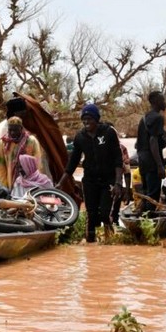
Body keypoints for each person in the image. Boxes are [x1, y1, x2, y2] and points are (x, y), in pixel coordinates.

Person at [56, 104, 123, 243]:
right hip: (90, 181)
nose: (86, 122)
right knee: (91, 215)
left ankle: (110, 242)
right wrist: (61, 183)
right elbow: (72, 162)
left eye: (89, 119)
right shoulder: (80, 137)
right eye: (84, 119)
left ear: (96, 119)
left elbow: (118, 159)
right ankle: (90, 246)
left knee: (105, 214)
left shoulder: (109, 132)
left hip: (108, 180)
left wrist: (118, 183)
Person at [135, 91, 166, 213]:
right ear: (156, 102)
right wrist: (159, 165)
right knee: (153, 195)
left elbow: (138, 143)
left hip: (142, 160)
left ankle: (143, 220)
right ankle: (150, 221)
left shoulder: (144, 118)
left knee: (146, 192)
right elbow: (153, 141)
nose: (165, 103)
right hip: (152, 161)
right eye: (163, 100)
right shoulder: (158, 117)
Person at [0, 116, 42, 189]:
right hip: (10, 182)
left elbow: (37, 163)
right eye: (10, 130)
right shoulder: (3, 143)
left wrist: (34, 182)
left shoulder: (31, 141)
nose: (12, 133)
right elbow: (1, 165)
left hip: (29, 182)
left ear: (21, 128)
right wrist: (4, 185)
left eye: (15, 130)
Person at [111, 140, 132, 226]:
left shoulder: (122, 148)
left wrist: (127, 192)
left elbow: (127, 171)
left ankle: (114, 224)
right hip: (102, 183)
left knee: (115, 213)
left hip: (117, 183)